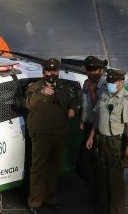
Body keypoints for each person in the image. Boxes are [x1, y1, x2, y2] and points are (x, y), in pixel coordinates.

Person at [24, 58, 80, 214]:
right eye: (49, 71)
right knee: (38, 168)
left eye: (55, 71)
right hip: (41, 133)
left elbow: (74, 99)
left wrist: (73, 109)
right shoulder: (34, 88)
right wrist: (41, 93)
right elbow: (27, 103)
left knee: (54, 166)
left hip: (59, 132)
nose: (52, 74)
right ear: (43, 73)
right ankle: (35, 201)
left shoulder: (63, 87)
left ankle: (50, 197)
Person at [85, 68, 128, 214]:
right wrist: (91, 135)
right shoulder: (104, 95)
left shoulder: (127, 100)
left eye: (113, 82)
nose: (110, 84)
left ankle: (117, 211)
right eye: (109, 82)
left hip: (117, 144)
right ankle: (105, 207)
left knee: (115, 181)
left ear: (121, 82)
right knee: (103, 177)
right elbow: (98, 117)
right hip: (102, 143)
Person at [77, 55, 107, 194]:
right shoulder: (86, 83)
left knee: (97, 162)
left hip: (98, 127)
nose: (90, 73)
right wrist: (82, 118)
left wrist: (93, 91)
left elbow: (98, 107)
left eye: (94, 71)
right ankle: (93, 184)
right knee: (85, 161)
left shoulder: (104, 85)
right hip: (87, 125)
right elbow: (85, 103)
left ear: (100, 70)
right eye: (88, 70)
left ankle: (99, 190)